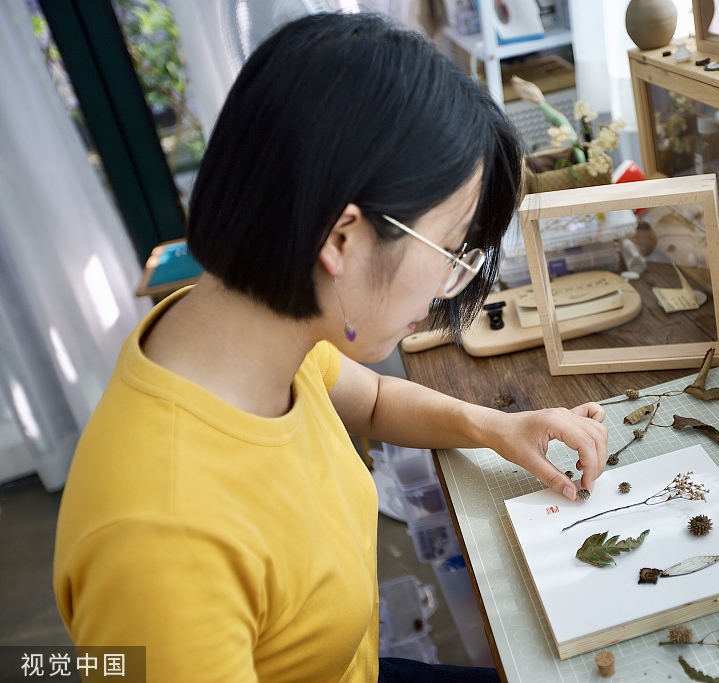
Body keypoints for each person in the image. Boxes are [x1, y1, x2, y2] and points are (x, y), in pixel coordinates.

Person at [52, 12, 608, 683]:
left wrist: (496, 427)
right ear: (341, 240)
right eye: (448, 251)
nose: (447, 284)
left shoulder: (245, 332)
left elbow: (369, 399)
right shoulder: (160, 543)